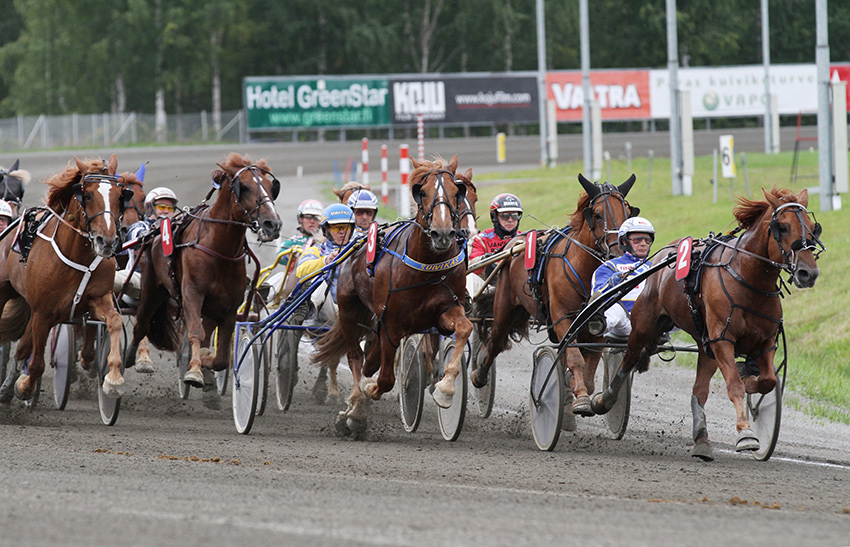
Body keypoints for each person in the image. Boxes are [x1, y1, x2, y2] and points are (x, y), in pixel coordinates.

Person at [590, 216, 655, 339]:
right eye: (637, 240)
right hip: (624, 322)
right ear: (624, 242)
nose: (643, 244)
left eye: (647, 240)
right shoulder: (609, 266)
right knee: (617, 309)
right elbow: (596, 296)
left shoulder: (655, 266)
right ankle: (598, 325)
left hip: (650, 320)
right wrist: (611, 283)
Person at [114, 186, 180, 301]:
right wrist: (157, 230)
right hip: (138, 279)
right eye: (161, 207)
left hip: (169, 282)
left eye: (170, 208)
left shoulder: (176, 230)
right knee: (111, 279)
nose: (166, 211)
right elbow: (136, 237)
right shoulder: (140, 226)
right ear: (149, 208)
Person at [296, 203, 355, 327]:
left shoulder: (360, 250)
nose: (342, 232)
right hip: (329, 311)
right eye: (336, 228)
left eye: (346, 227)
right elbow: (301, 270)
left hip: (357, 309)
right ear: (326, 230)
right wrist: (325, 261)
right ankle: (311, 314)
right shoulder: (317, 250)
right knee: (319, 284)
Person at [469, 193, 523, 278]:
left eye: (514, 216)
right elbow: (469, 269)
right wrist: (483, 259)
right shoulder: (480, 240)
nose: (510, 220)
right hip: (488, 287)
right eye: (505, 216)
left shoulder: (525, 239)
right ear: (494, 217)